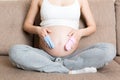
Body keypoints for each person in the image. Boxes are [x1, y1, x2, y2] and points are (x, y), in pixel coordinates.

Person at [9, 0, 116, 74]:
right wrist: (38, 30)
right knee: (15, 51)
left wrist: (80, 33)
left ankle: (58, 66)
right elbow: (26, 25)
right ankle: (68, 70)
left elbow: (92, 26)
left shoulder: (81, 0)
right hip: (45, 56)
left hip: (73, 56)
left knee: (109, 50)